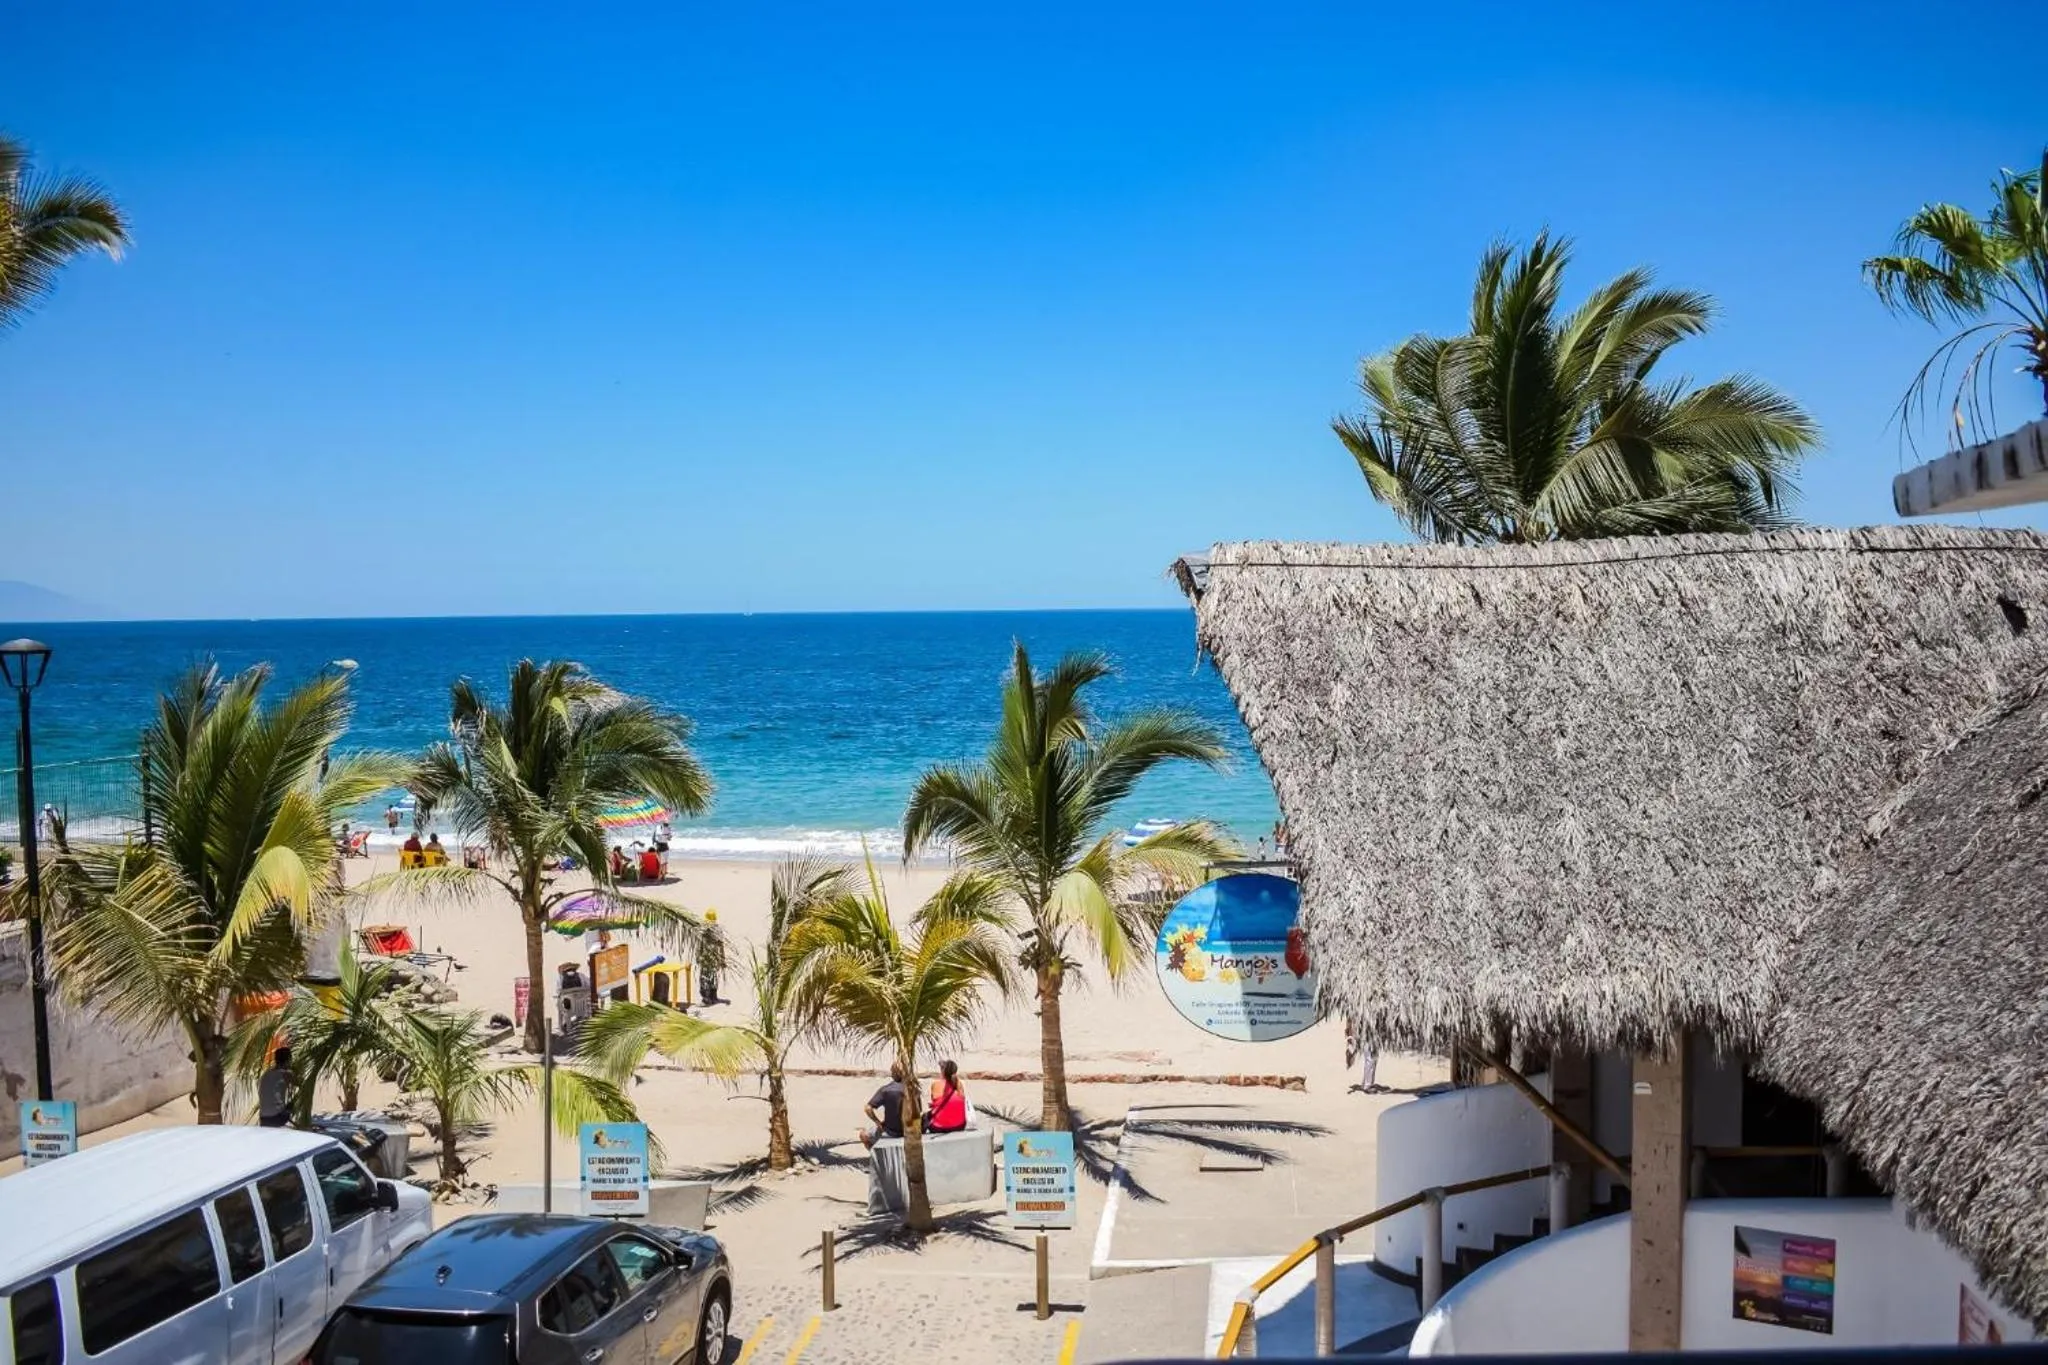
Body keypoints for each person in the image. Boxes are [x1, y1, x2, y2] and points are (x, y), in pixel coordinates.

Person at [860, 1061, 919, 1148]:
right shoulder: (914, 1090)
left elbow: (868, 1108)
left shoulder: (886, 1090)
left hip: (891, 1131)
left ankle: (876, 1156)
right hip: (909, 1130)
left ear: (893, 1074)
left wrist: (878, 1123)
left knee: (863, 1135)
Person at [1345, 1015, 1386, 1094]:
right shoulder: (1358, 1009)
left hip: (1372, 1035)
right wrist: (1351, 1037)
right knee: (1370, 1059)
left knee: (1373, 1059)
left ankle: (1367, 1083)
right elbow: (1350, 1023)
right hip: (1365, 1036)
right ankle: (1367, 1085)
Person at [926, 1059, 968, 1134]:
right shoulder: (959, 1085)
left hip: (939, 1127)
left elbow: (934, 1100)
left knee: (927, 1116)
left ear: (943, 1071)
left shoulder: (936, 1084)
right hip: (959, 1125)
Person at [258, 1045, 295, 1127]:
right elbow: (300, 1083)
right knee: (295, 1101)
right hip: (277, 1117)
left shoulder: (266, 1074)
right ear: (288, 1060)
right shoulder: (287, 1073)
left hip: (263, 1117)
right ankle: (304, 1123)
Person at [698, 910, 720, 1003]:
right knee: (713, 977)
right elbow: (721, 945)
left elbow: (700, 946)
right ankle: (713, 996)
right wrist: (722, 959)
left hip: (706, 959)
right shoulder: (718, 930)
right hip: (714, 959)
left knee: (704, 977)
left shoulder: (703, 931)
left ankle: (706, 998)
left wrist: (698, 956)